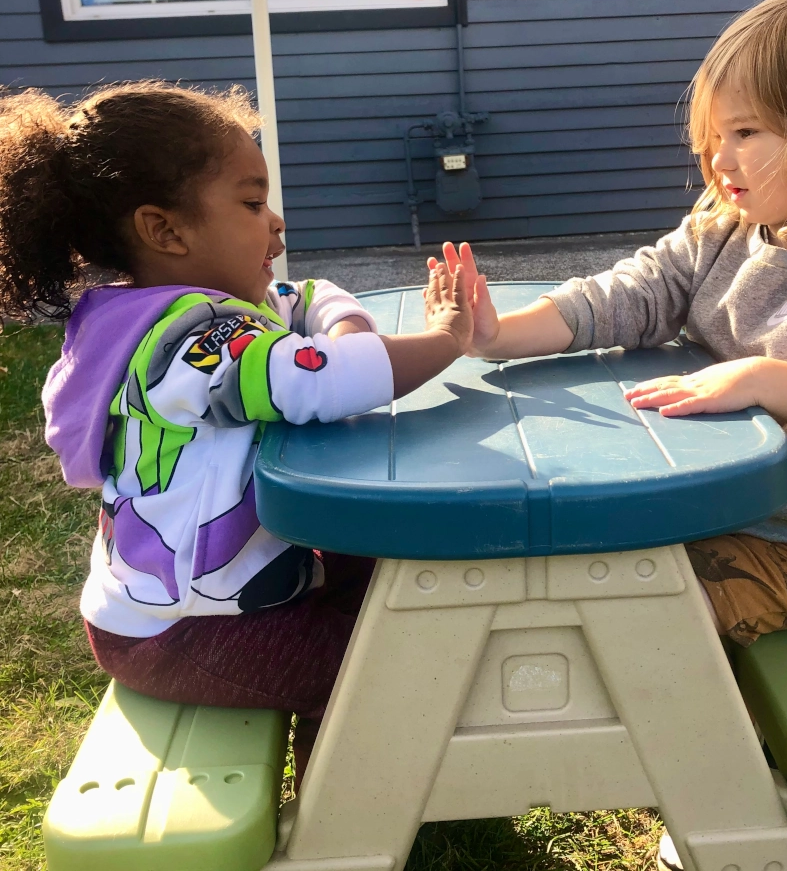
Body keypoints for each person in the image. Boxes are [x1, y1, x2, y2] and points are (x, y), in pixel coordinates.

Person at [431, 0, 787, 652]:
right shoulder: (722, 234)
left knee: (626, 632)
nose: (718, 157)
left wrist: (762, 377)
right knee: (548, 581)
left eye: (745, 132)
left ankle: (702, 752)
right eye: (714, 135)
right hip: (685, 507)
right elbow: (626, 296)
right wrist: (499, 334)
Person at [0, 80, 471, 779]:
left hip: (212, 598)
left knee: (384, 569)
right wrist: (446, 339)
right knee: (379, 667)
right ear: (166, 230)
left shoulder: (191, 312)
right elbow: (317, 380)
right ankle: (341, 821)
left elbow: (304, 298)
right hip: (184, 631)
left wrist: (340, 328)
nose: (275, 223)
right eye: (252, 203)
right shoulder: (186, 346)